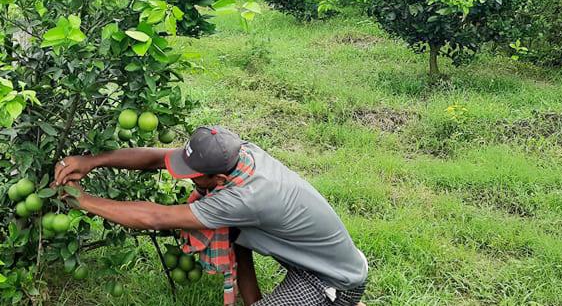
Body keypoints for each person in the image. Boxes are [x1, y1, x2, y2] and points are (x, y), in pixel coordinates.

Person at [55, 126, 368, 306]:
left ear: (218, 180)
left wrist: (83, 200)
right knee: (234, 239)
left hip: (329, 279)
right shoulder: (234, 152)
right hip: (312, 255)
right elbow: (159, 158)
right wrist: (92, 161)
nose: (187, 179)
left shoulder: (245, 197)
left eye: (194, 178)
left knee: (232, 232)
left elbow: (158, 217)